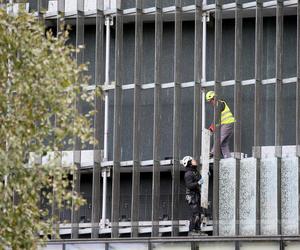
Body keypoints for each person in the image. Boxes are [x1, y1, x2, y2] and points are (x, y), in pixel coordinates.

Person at [206, 91, 235, 158]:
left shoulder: (219, 103)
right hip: (228, 124)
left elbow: (216, 118)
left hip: (227, 124)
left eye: (211, 101)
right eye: (210, 102)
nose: (211, 103)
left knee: (219, 138)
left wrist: (212, 128)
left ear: (214, 98)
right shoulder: (219, 104)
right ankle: (228, 159)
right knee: (223, 144)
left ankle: (212, 153)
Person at [183, 156, 203, 235]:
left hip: (196, 195)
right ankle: (191, 231)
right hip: (191, 196)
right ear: (189, 163)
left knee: (199, 213)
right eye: (192, 160)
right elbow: (189, 185)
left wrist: (206, 175)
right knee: (195, 213)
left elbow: (201, 179)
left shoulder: (195, 172)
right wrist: (198, 183)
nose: (195, 161)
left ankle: (197, 230)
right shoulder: (188, 174)